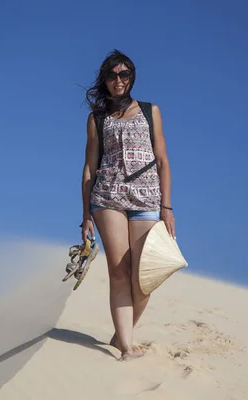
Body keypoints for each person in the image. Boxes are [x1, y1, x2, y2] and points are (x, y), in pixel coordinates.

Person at [80, 49, 176, 361]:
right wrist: (86, 218)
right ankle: (126, 345)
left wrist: (167, 207)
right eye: (112, 75)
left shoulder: (151, 111)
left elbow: (162, 160)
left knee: (146, 275)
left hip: (146, 198)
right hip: (108, 197)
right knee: (119, 271)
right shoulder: (96, 119)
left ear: (131, 77)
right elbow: (89, 168)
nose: (118, 80)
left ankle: (121, 332)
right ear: (104, 81)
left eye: (123, 74)